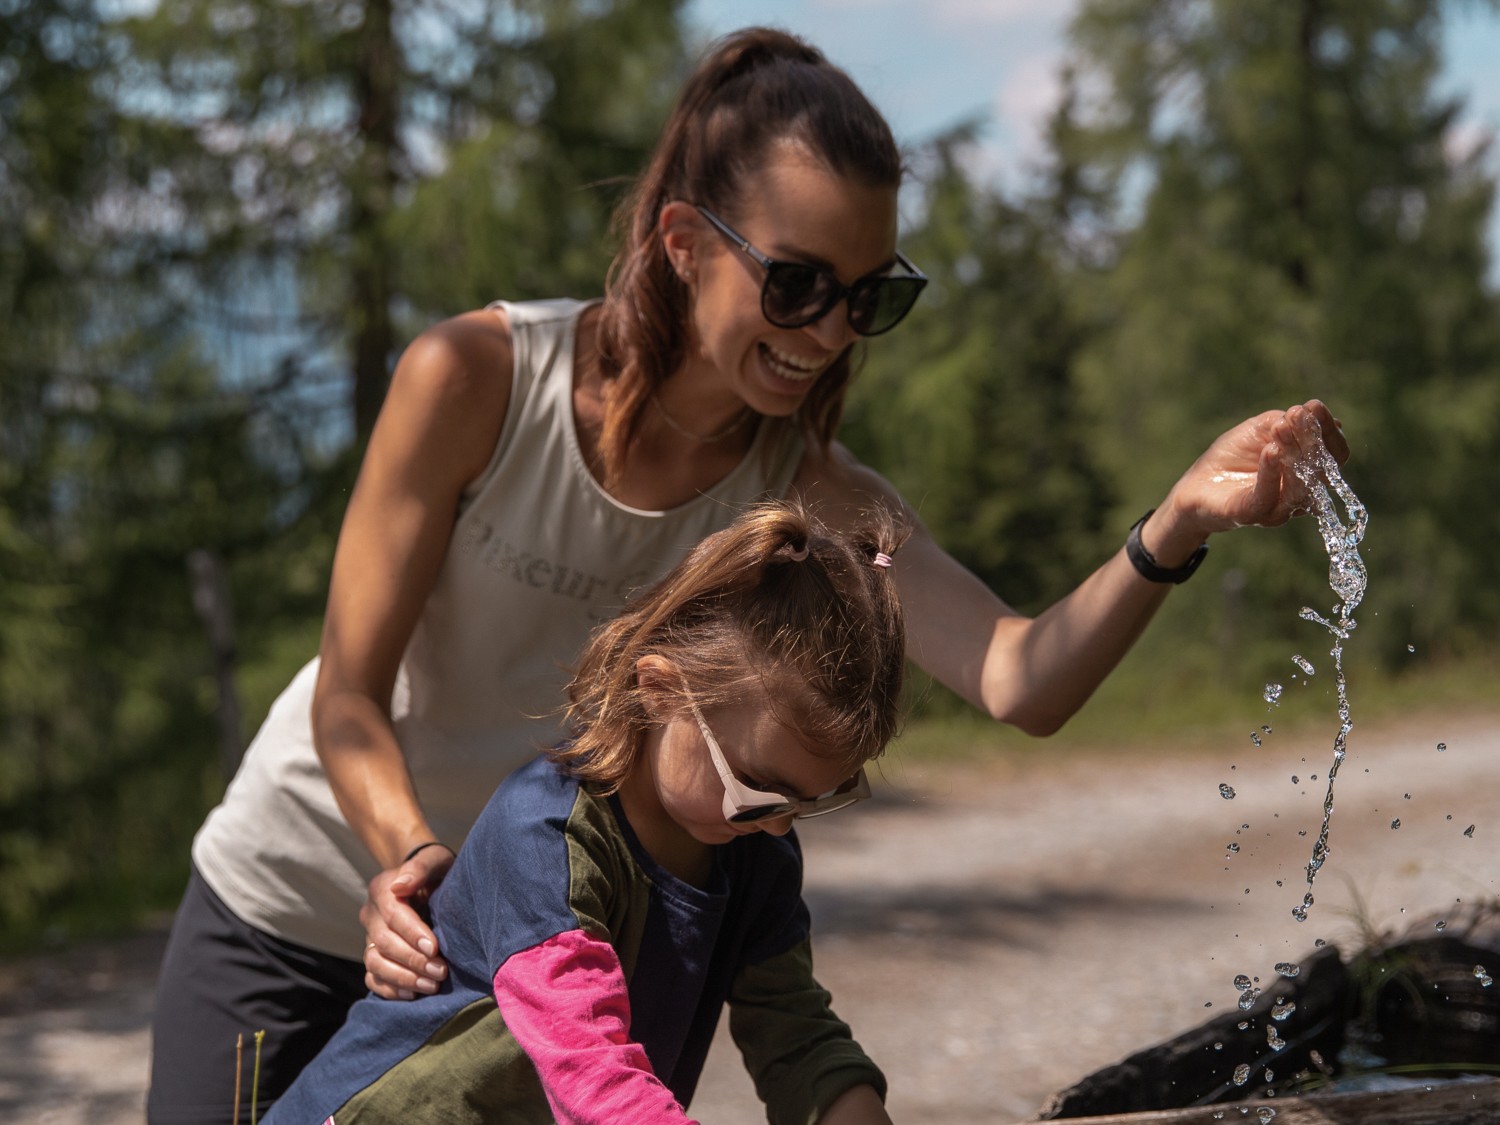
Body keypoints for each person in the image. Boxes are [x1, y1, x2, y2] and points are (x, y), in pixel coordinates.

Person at [146, 25, 1349, 1122]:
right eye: (795, 282)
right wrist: (407, 863)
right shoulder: (472, 379)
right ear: (683, 242)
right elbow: (347, 693)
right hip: (313, 897)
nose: (827, 330)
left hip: (541, 950)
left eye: (867, 295)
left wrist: (1180, 520)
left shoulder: (810, 490)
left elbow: (1017, 676)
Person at [261, 501, 904, 1125]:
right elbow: (591, 1070)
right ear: (657, 689)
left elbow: (799, 1042)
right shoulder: (544, 834)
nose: (780, 822)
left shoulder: (757, 852)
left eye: (820, 797)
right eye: (757, 787)